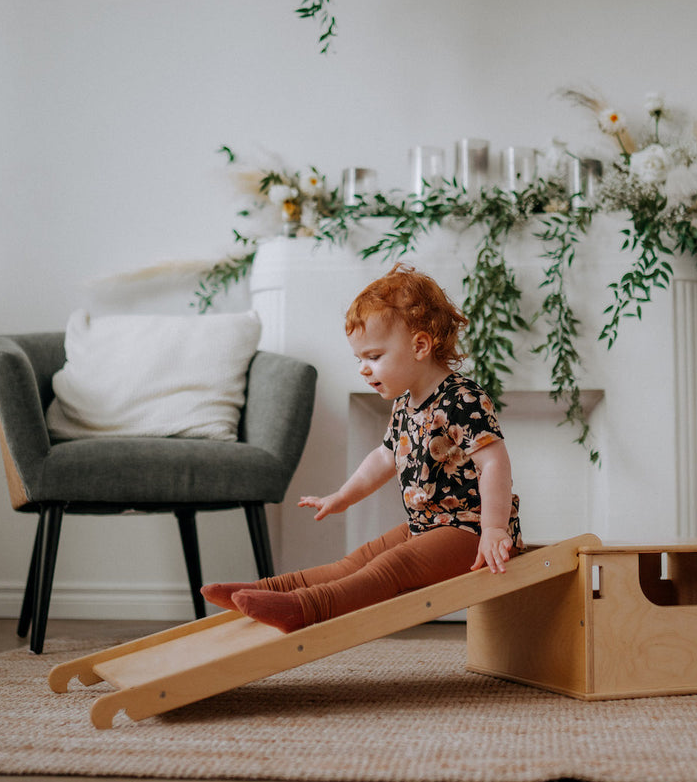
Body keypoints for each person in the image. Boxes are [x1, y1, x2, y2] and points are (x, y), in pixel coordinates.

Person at [201, 263, 524, 632]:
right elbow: (384, 457)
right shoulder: (405, 404)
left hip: (471, 533)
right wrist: (343, 496)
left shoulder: (462, 399)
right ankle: (266, 591)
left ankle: (307, 608)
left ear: (420, 345)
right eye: (359, 359)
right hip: (426, 527)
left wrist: (496, 529)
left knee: (391, 567)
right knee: (357, 560)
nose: (363, 369)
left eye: (373, 357)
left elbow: (495, 463)